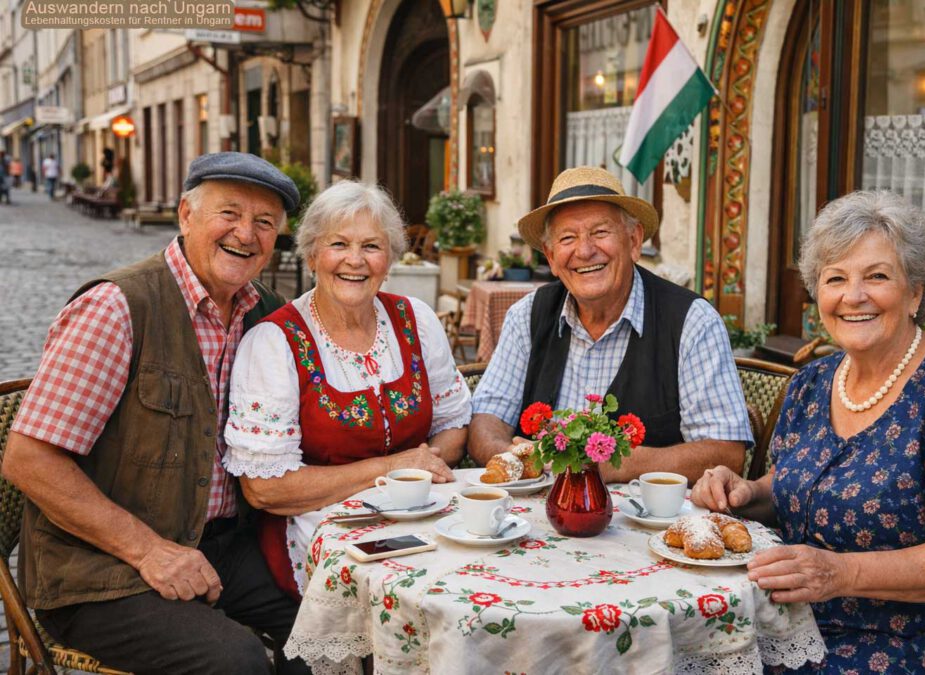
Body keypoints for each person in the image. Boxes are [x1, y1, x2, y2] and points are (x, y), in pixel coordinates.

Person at [691, 190, 925, 673]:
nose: (853, 296)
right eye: (835, 279)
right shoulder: (812, 383)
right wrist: (746, 492)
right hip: (798, 615)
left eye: (876, 276)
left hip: (916, 634)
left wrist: (840, 573)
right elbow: (793, 485)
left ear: (915, 292)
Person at [4, 152, 312, 675]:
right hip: (100, 570)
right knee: (234, 661)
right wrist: (149, 551)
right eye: (229, 213)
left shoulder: (264, 312)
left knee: (340, 625)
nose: (246, 233)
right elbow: (29, 460)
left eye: (264, 223)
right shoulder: (118, 307)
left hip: (223, 549)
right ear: (186, 215)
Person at [223, 180, 470, 598]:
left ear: (389, 258)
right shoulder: (275, 342)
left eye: (372, 246)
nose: (355, 261)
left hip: (419, 517)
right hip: (325, 533)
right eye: (338, 244)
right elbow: (264, 488)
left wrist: (420, 471)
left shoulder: (417, 320)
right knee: (409, 593)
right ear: (313, 254)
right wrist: (390, 469)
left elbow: (454, 425)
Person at [469, 166, 753, 482]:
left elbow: (726, 452)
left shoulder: (692, 321)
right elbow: (486, 419)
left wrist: (615, 464)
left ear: (633, 241)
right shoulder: (527, 316)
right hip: (535, 514)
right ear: (551, 257)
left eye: (600, 232)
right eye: (567, 238)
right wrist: (512, 456)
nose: (585, 250)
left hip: (649, 523)